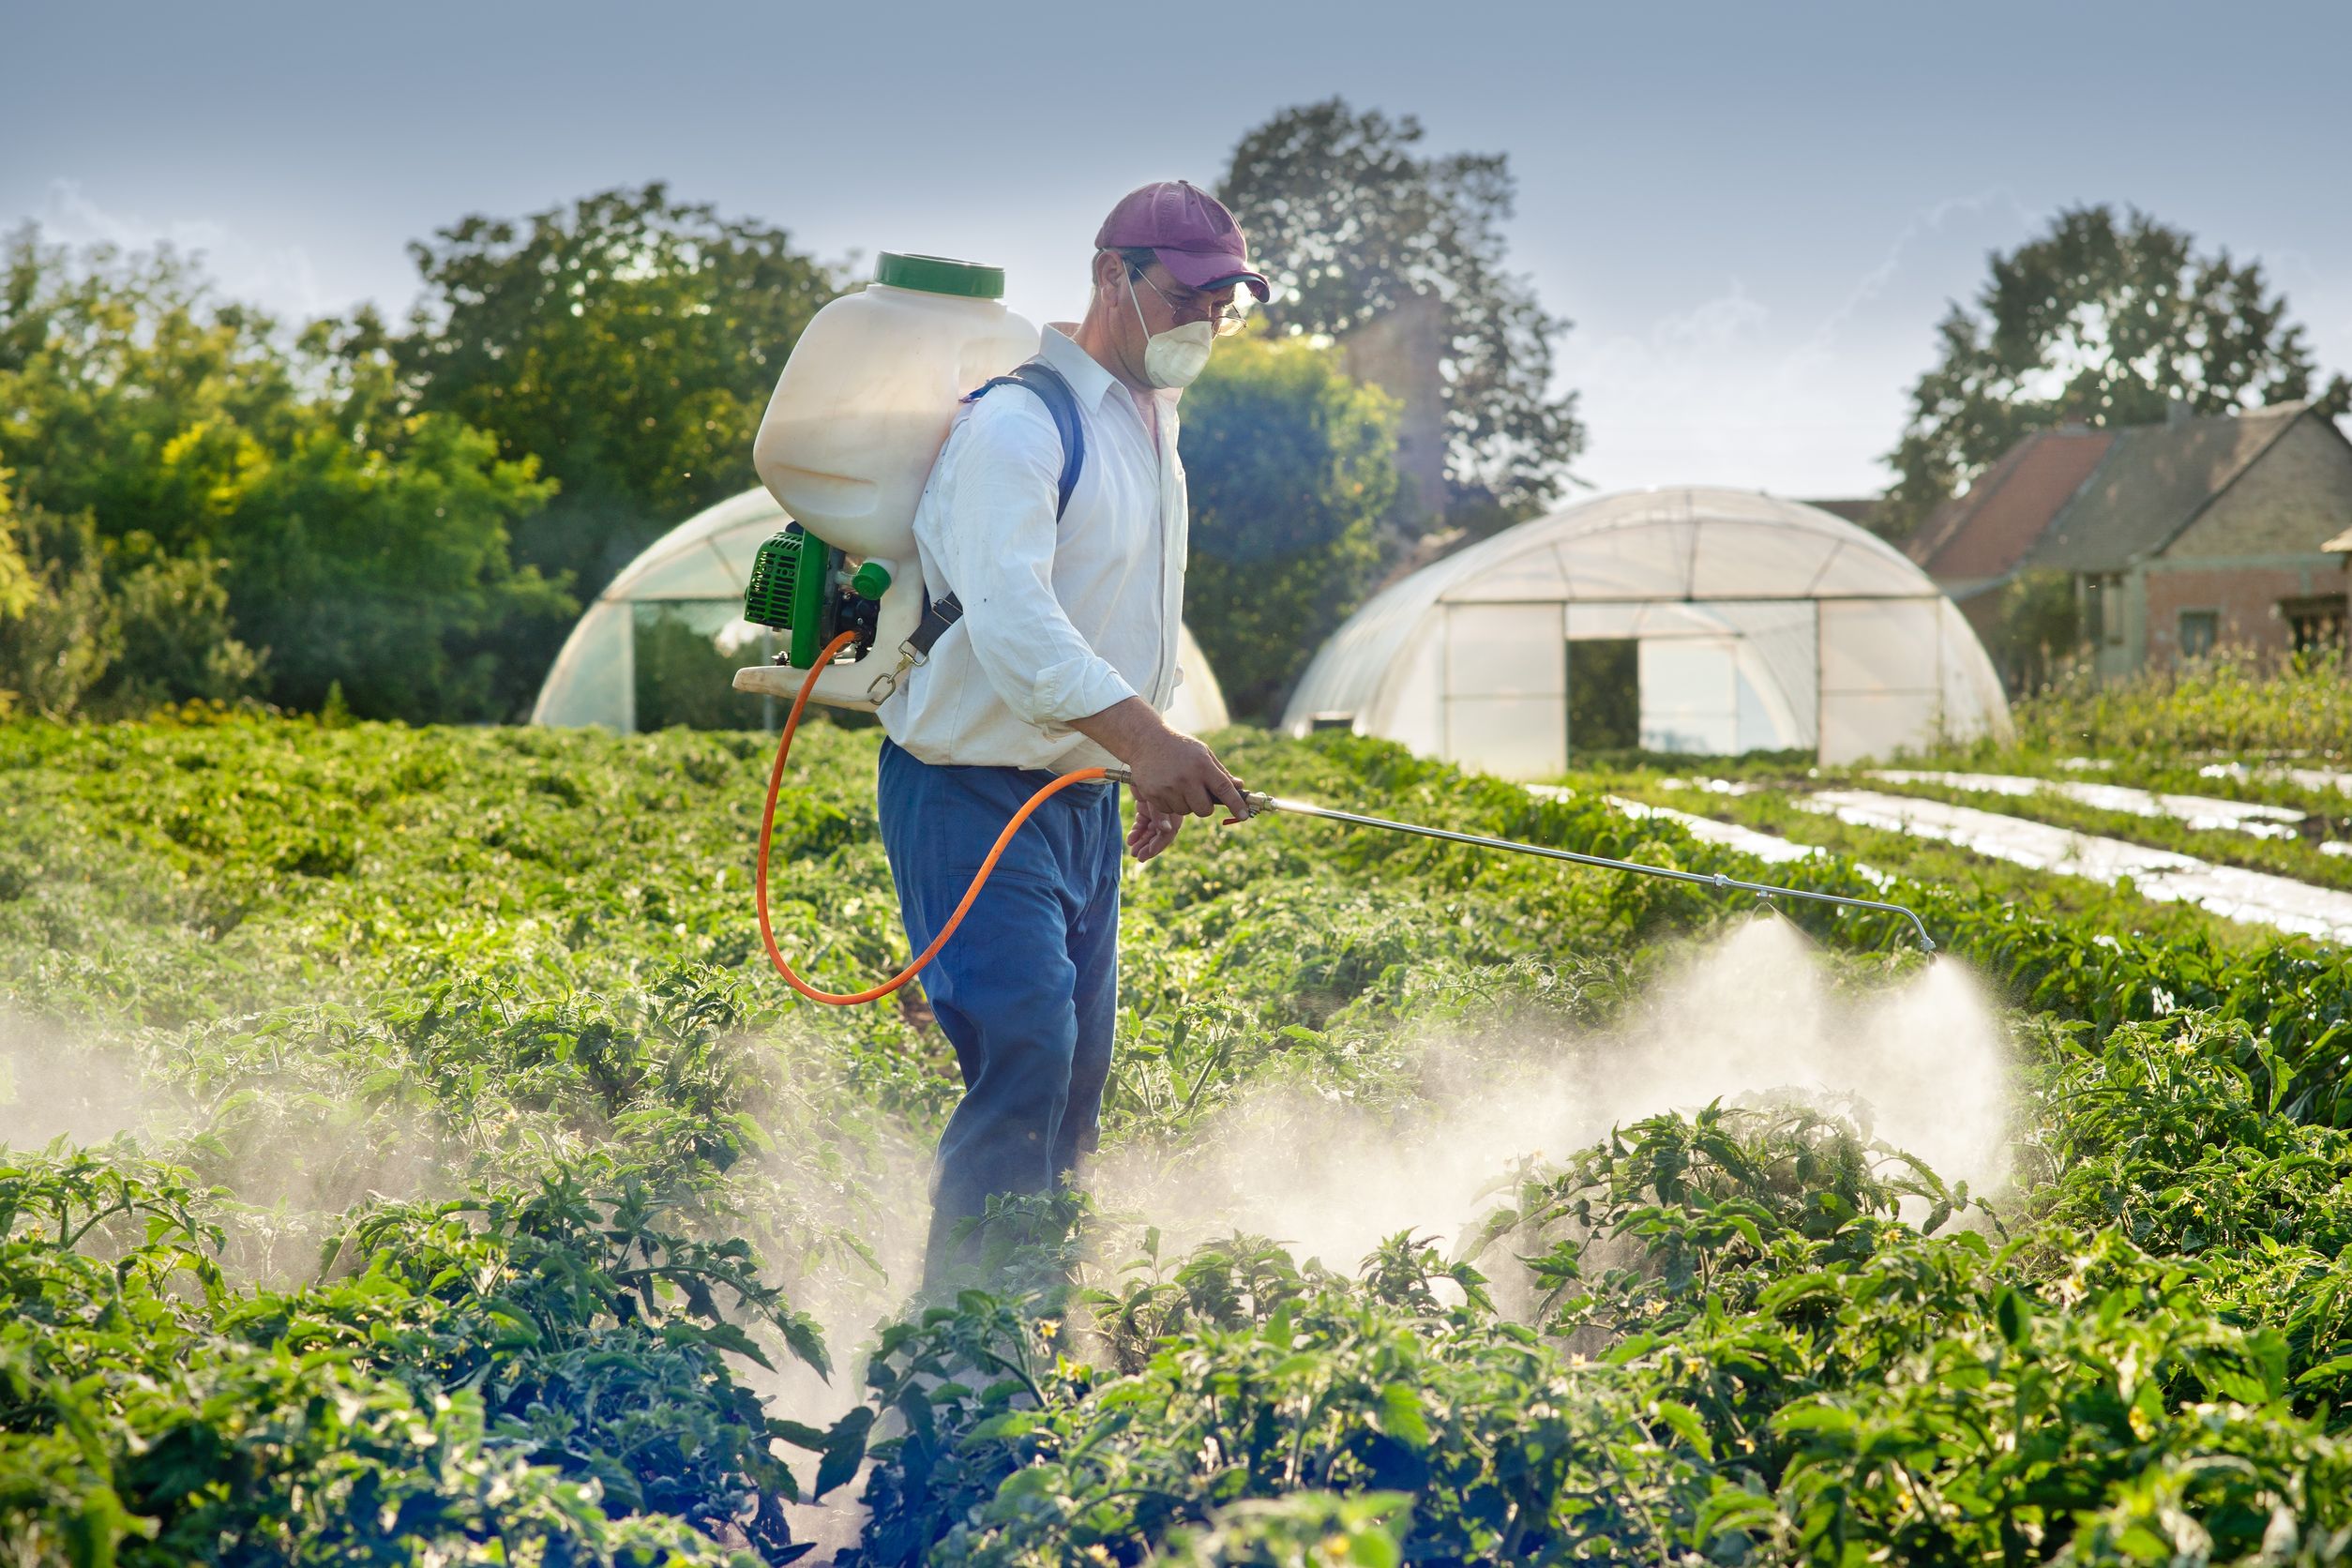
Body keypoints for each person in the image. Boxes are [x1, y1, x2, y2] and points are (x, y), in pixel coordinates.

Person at [876, 180, 1267, 1282]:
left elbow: (1122, 612)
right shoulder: (1017, 422)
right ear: (1112, 276)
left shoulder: (1152, 427)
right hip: (969, 795)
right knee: (1027, 1064)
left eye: (1224, 305)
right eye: (1189, 295)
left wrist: (1130, 760)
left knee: (1075, 1080)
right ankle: (958, 1350)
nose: (1207, 323)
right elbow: (1014, 621)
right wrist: (1148, 743)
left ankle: (1044, 1316)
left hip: (1076, 805)